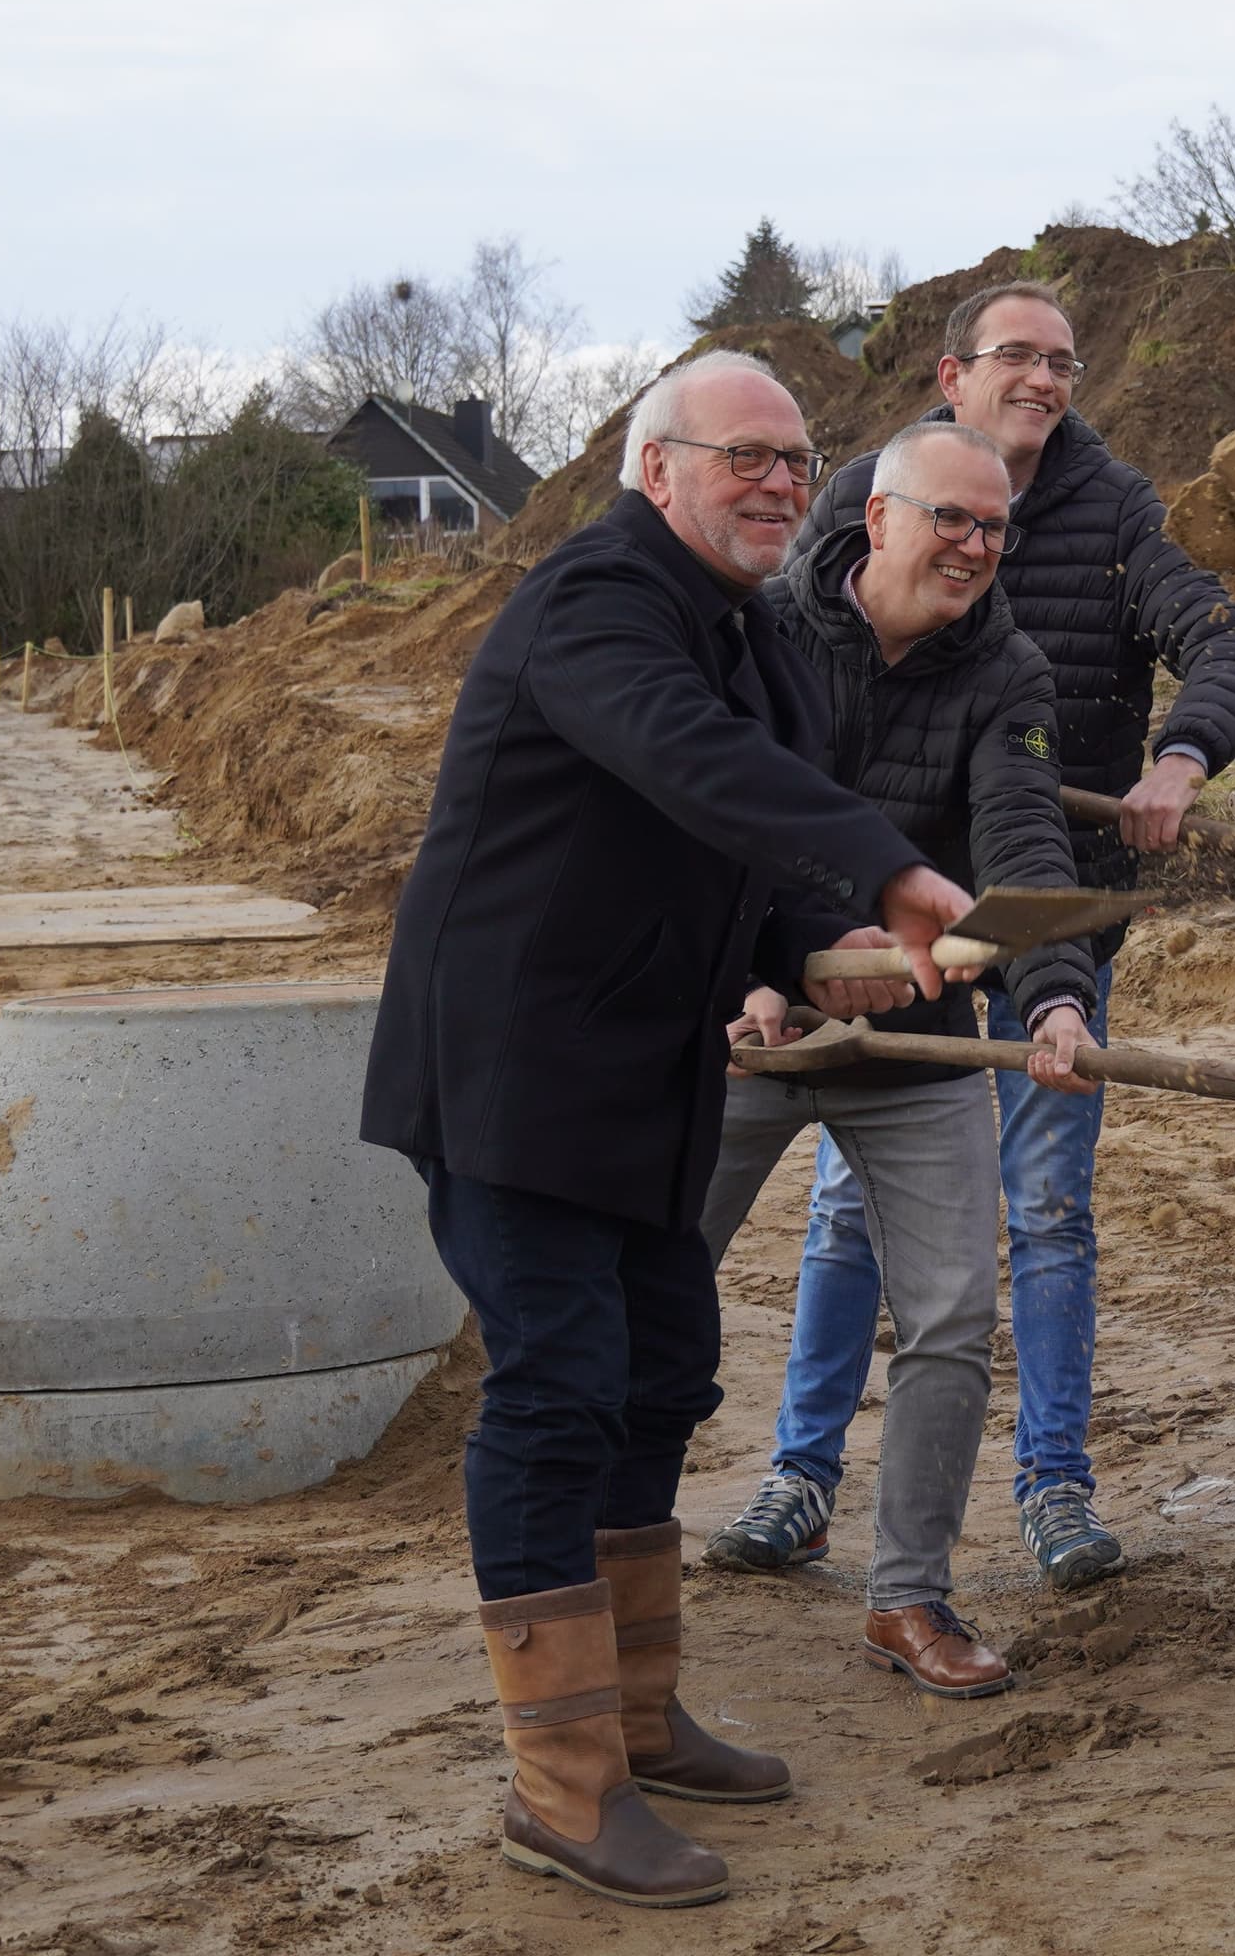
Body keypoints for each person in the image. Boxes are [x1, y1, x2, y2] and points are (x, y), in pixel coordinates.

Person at [361, 349, 978, 1910]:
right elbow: (692, 765)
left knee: (660, 1374)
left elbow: (747, 854)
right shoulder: (594, 603)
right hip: (512, 1068)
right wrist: (884, 863)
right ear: (657, 470)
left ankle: (636, 1719)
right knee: (558, 1389)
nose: (780, 482)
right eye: (743, 455)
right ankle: (564, 1788)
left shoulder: (754, 635)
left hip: (645, 1069)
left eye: (797, 459)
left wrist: (823, 944)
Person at [721, 280, 1235, 1591]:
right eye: (1017, 355)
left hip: (1041, 903)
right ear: (951, 374)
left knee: (1047, 1204)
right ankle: (803, 1473)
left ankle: (1054, 1485)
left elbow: (1228, 640)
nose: (1043, 380)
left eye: (1064, 362)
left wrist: (1181, 757)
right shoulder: (866, 498)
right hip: (871, 919)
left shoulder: (1116, 514)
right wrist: (777, 946)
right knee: (853, 1208)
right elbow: (780, 730)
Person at [704, 420, 1099, 1703]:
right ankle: (607, 1556)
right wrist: (752, 974)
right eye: (952, 520)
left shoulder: (1008, 666)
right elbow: (714, 820)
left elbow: (1023, 839)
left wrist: (1051, 998)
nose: (976, 548)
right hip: (754, 1024)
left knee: (951, 1314)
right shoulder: (760, 630)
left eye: (996, 528)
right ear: (877, 520)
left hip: (920, 1030)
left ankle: (909, 1595)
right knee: (646, 1277)